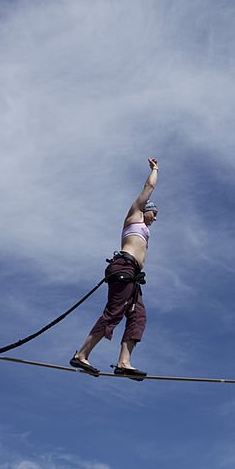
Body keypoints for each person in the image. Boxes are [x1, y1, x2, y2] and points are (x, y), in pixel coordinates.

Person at [71, 157, 159, 380]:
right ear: (144, 210)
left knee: (138, 316)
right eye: (154, 213)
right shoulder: (134, 216)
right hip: (123, 268)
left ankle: (124, 362)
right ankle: (82, 354)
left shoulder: (145, 229)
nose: (156, 218)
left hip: (134, 276)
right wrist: (155, 170)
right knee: (114, 312)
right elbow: (149, 187)